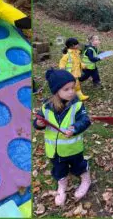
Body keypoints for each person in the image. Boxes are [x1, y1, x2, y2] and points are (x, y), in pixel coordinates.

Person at [33, 69, 93, 206]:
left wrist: (75, 128)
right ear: (56, 91)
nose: (71, 91)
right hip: (54, 150)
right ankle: (62, 185)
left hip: (73, 148)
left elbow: (85, 120)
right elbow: (38, 122)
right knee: (59, 169)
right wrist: (38, 123)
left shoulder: (77, 105)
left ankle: (85, 179)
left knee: (78, 166)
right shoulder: (46, 107)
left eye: (73, 87)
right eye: (66, 89)